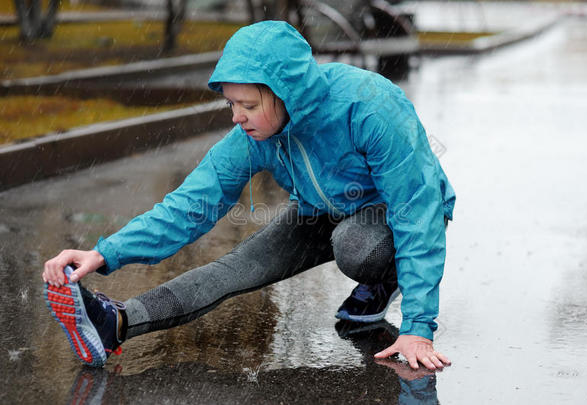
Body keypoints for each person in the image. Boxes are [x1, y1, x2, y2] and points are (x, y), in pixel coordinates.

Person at [42, 21, 455, 370]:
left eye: (248, 104)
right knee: (238, 266)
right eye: (231, 104)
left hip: (392, 211)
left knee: (357, 246)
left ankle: (385, 279)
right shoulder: (253, 133)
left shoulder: (369, 106)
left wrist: (418, 329)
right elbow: (189, 205)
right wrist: (105, 253)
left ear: (286, 94)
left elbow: (416, 211)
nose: (236, 116)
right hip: (321, 211)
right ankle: (114, 324)